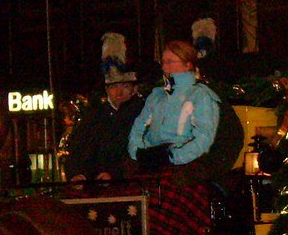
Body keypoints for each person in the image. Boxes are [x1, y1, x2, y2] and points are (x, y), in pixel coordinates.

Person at [127, 39, 222, 175]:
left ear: (187, 65)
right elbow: (139, 126)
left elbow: (204, 136)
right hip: (148, 160)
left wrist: (172, 157)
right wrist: (137, 152)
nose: (164, 67)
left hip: (180, 167)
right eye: (163, 62)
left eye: (170, 62)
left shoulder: (199, 95)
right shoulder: (157, 95)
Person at [66, 33, 144, 182]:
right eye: (114, 86)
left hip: (130, 185)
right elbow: (78, 150)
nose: (119, 92)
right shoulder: (94, 116)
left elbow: (142, 155)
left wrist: (115, 174)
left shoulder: (144, 114)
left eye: (125, 86)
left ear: (134, 88)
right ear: (107, 89)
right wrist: (78, 173)